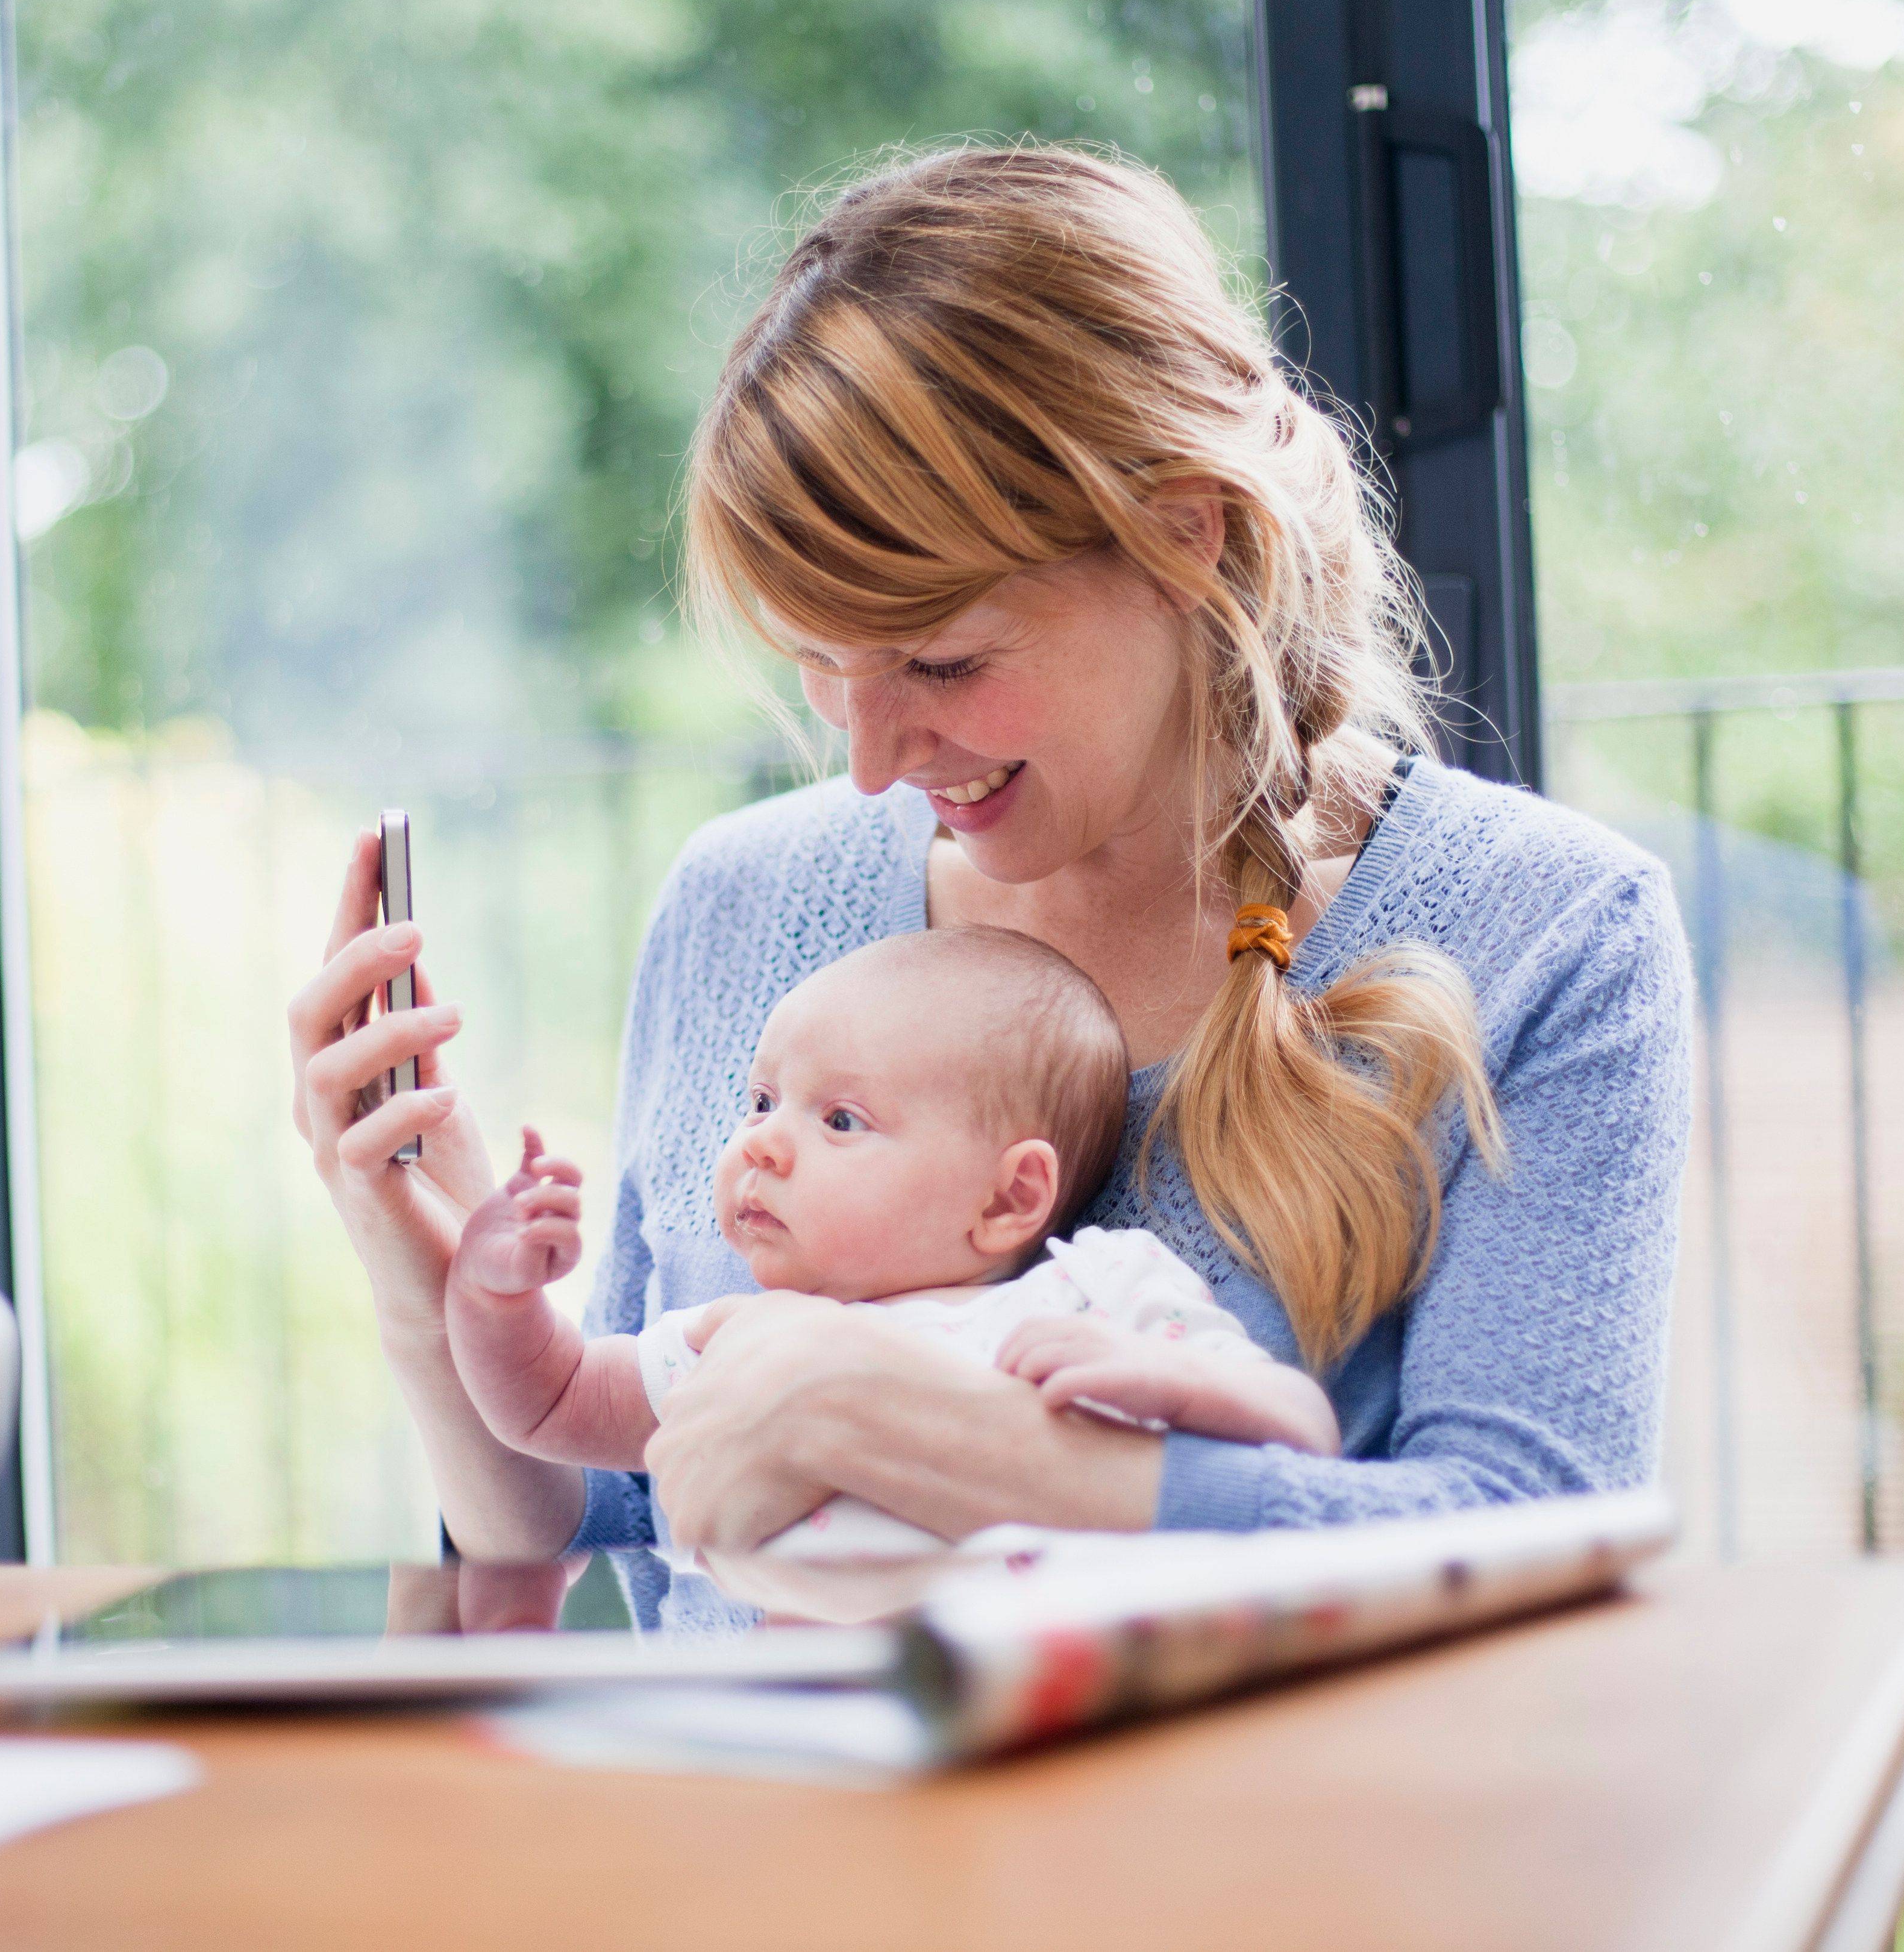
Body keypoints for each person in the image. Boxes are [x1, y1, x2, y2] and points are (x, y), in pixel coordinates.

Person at [287, 142, 1691, 1630]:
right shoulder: (746, 900)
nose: (877, 762)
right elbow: (612, 1516)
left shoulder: (1545, 934)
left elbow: (1535, 1535)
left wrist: (943, 1440)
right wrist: (418, 1285)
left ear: (1178, 534)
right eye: (820, 672)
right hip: (754, 1839)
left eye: (941, 664)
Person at [445, 928, 1342, 1562]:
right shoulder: (753, 1343)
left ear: (1009, 1197)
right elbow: (548, 1407)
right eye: (761, 1101)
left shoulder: (1095, 1292)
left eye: (841, 1119)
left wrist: (1167, 1380)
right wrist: (494, 1297)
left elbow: (1302, 1435)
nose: (760, 1142)